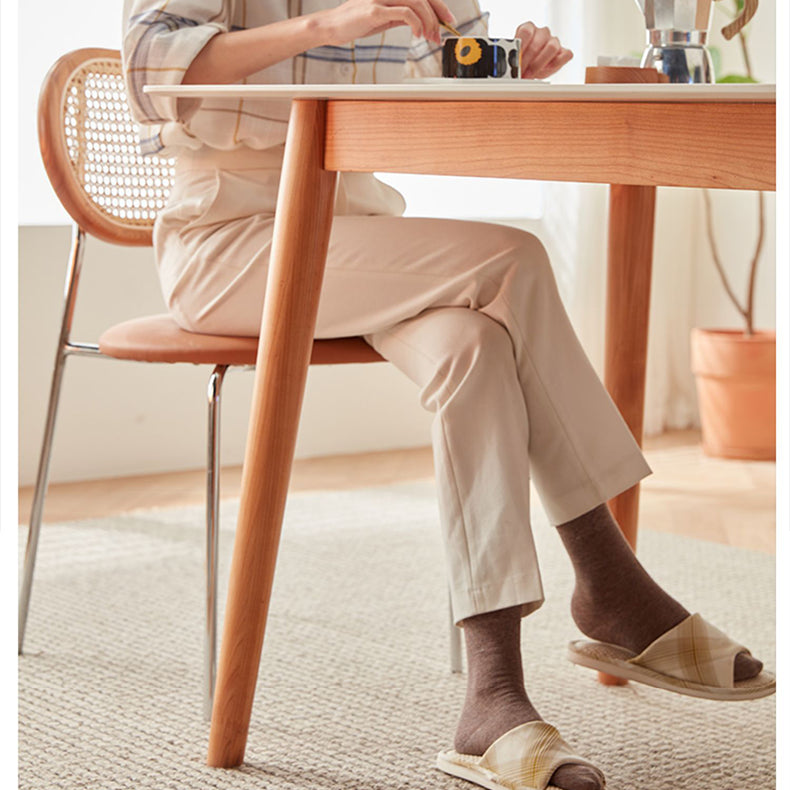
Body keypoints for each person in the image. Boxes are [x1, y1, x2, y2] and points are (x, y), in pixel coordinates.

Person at [122, 2, 774, 788]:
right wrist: (326, 27)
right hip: (229, 247)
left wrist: (499, 55)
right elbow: (150, 62)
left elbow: (428, 61)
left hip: (357, 234)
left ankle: (490, 700)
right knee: (514, 261)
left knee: (476, 345)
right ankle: (609, 579)